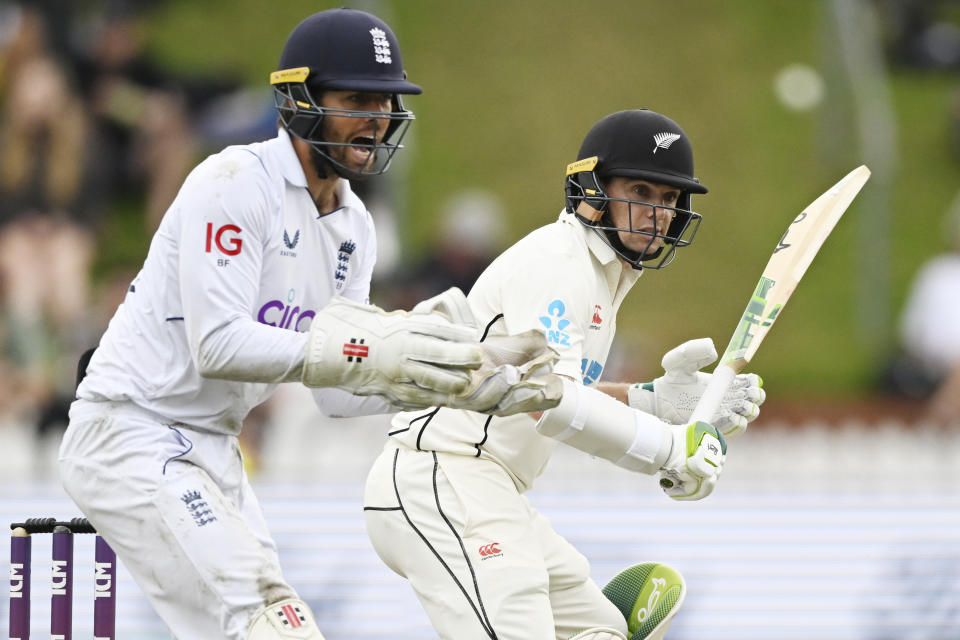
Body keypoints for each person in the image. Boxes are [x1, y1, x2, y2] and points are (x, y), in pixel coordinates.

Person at [57, 9, 558, 640]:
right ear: (298, 100)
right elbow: (217, 346)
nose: (376, 119)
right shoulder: (235, 181)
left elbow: (336, 392)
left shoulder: (355, 227)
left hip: (213, 449)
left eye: (385, 101)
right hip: (131, 431)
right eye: (355, 99)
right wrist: (377, 351)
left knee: (280, 623)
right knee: (269, 623)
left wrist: (449, 383)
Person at [363, 109, 766, 640]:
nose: (658, 213)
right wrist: (670, 448)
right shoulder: (558, 264)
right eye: (642, 191)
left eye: (669, 200)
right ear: (593, 191)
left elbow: (555, 388)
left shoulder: (597, 274)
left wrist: (651, 401)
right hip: (445, 479)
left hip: (491, 490)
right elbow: (545, 400)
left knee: (601, 631)